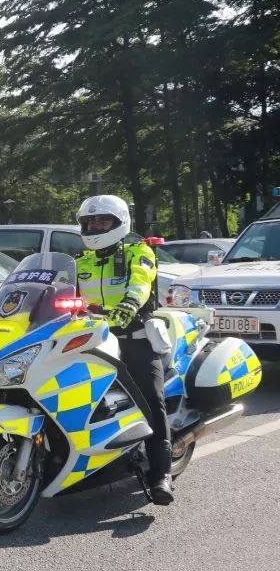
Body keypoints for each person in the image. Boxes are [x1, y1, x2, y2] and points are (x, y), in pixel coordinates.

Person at [75, 195, 174, 505]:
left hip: (135, 339)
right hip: (93, 341)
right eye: (89, 222)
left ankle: (161, 474)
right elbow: (57, 291)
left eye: (101, 221)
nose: (94, 227)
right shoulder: (80, 261)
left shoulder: (139, 252)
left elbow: (141, 282)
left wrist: (129, 304)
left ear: (119, 223)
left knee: (151, 399)